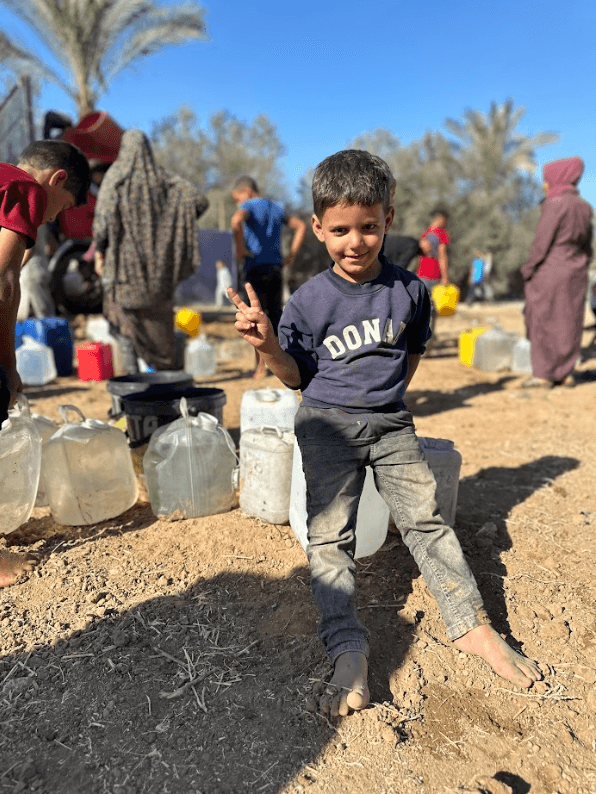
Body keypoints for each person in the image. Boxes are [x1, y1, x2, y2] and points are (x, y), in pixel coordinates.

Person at [228, 150, 541, 718]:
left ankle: (469, 623)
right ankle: (348, 648)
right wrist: (269, 346)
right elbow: (298, 376)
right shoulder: (308, 300)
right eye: (341, 229)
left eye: (368, 227)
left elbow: (410, 354)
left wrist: (386, 403)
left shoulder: (412, 292)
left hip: (392, 424)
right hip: (326, 424)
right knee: (329, 537)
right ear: (318, 228)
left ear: (388, 220)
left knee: (426, 521)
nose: (355, 242)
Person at [0, 139, 90, 587]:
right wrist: (6, 363)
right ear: (55, 181)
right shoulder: (25, 191)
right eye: (62, 206)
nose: (52, 217)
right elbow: (3, 280)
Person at [93, 129, 208, 373]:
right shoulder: (164, 180)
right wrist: (170, 228)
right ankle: (167, 377)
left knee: (123, 326)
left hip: (124, 275)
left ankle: (134, 380)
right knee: (160, 331)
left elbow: (102, 223)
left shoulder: (116, 178)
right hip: (160, 279)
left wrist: (100, 251)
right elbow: (199, 200)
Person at [521, 157, 593, 388]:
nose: (544, 184)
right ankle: (566, 372)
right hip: (576, 271)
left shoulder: (555, 203)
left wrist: (529, 268)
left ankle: (543, 374)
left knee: (543, 319)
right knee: (569, 321)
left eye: (546, 179)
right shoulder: (584, 206)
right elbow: (588, 246)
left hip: (551, 270)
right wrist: (581, 264)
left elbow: (542, 243)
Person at [231, 176, 306, 377]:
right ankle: (279, 363)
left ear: (246, 191)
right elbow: (300, 226)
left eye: (236, 198)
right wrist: (291, 254)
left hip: (254, 266)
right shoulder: (276, 206)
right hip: (275, 267)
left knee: (255, 316)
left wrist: (240, 248)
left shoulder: (248, 205)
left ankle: (259, 368)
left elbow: (236, 220)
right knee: (274, 316)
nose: (238, 203)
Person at [417, 206, 450, 346]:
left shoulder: (425, 234)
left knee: (422, 307)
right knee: (432, 309)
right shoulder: (441, 234)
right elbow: (442, 255)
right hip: (434, 275)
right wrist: (445, 276)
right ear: (441, 219)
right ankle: (428, 338)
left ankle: (421, 336)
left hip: (421, 274)